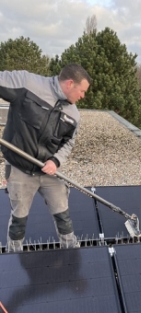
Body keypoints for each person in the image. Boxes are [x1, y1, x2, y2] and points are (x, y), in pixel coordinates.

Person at [0, 64, 91, 252]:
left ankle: (71, 249)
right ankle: (13, 257)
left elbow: (68, 144)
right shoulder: (27, 83)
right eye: (82, 91)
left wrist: (55, 161)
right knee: (19, 218)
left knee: (62, 212)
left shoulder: (73, 114)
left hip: (47, 171)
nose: (83, 96)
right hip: (20, 169)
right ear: (70, 84)